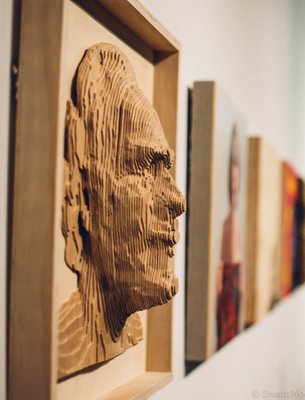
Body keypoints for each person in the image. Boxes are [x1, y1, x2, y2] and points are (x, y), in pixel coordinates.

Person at [60, 43, 185, 377]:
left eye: (166, 172)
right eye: (144, 169)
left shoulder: (127, 330)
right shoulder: (59, 346)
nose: (177, 201)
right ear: (85, 193)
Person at [217, 127, 242, 349]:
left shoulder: (235, 226)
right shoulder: (225, 226)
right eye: (231, 166)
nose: (234, 174)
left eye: (237, 166)